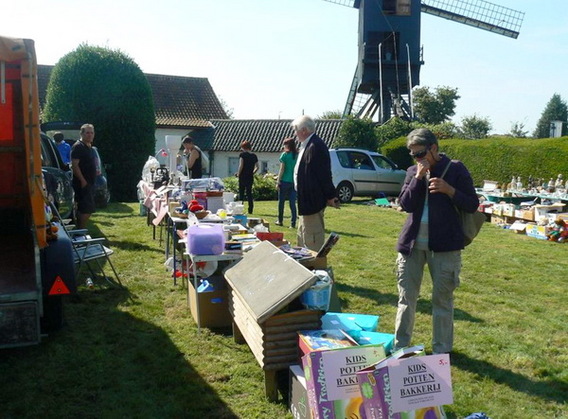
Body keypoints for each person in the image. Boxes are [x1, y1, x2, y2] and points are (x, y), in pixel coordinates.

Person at [394, 128, 479, 355]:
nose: (417, 159)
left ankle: (441, 352)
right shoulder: (413, 171)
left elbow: (472, 204)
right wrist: (418, 178)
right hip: (411, 246)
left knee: (442, 301)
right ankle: (401, 348)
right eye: (413, 155)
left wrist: (450, 190)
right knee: (406, 299)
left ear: (433, 148)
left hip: (445, 247)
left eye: (420, 153)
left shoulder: (456, 169)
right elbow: (405, 204)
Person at [292, 115, 339, 252]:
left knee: (312, 240)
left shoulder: (316, 146)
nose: (295, 134)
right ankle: (304, 267)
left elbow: (324, 174)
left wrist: (331, 196)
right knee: (302, 236)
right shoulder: (307, 145)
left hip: (312, 201)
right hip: (305, 200)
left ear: (304, 130)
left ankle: (315, 268)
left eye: (296, 130)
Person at [71, 123, 98, 229]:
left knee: (87, 208)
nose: (90, 135)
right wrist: (82, 181)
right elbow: (74, 165)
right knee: (85, 209)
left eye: (91, 133)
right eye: (87, 133)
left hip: (90, 182)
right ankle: (80, 230)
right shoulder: (78, 146)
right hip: (82, 183)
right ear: (81, 134)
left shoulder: (89, 147)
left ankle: (81, 230)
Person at [275, 137, 298, 228]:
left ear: (288, 145)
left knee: (281, 202)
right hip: (294, 182)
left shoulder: (284, 155)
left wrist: (278, 181)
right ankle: (293, 223)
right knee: (292, 203)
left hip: (284, 181)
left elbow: (282, 169)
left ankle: (280, 220)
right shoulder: (297, 155)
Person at [235, 141, 258, 214]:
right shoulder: (254, 156)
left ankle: (240, 209)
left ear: (243, 147)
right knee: (249, 193)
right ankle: (250, 209)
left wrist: (238, 174)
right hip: (250, 176)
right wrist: (253, 172)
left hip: (243, 176)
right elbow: (257, 167)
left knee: (241, 193)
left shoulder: (242, 155)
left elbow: (241, 165)